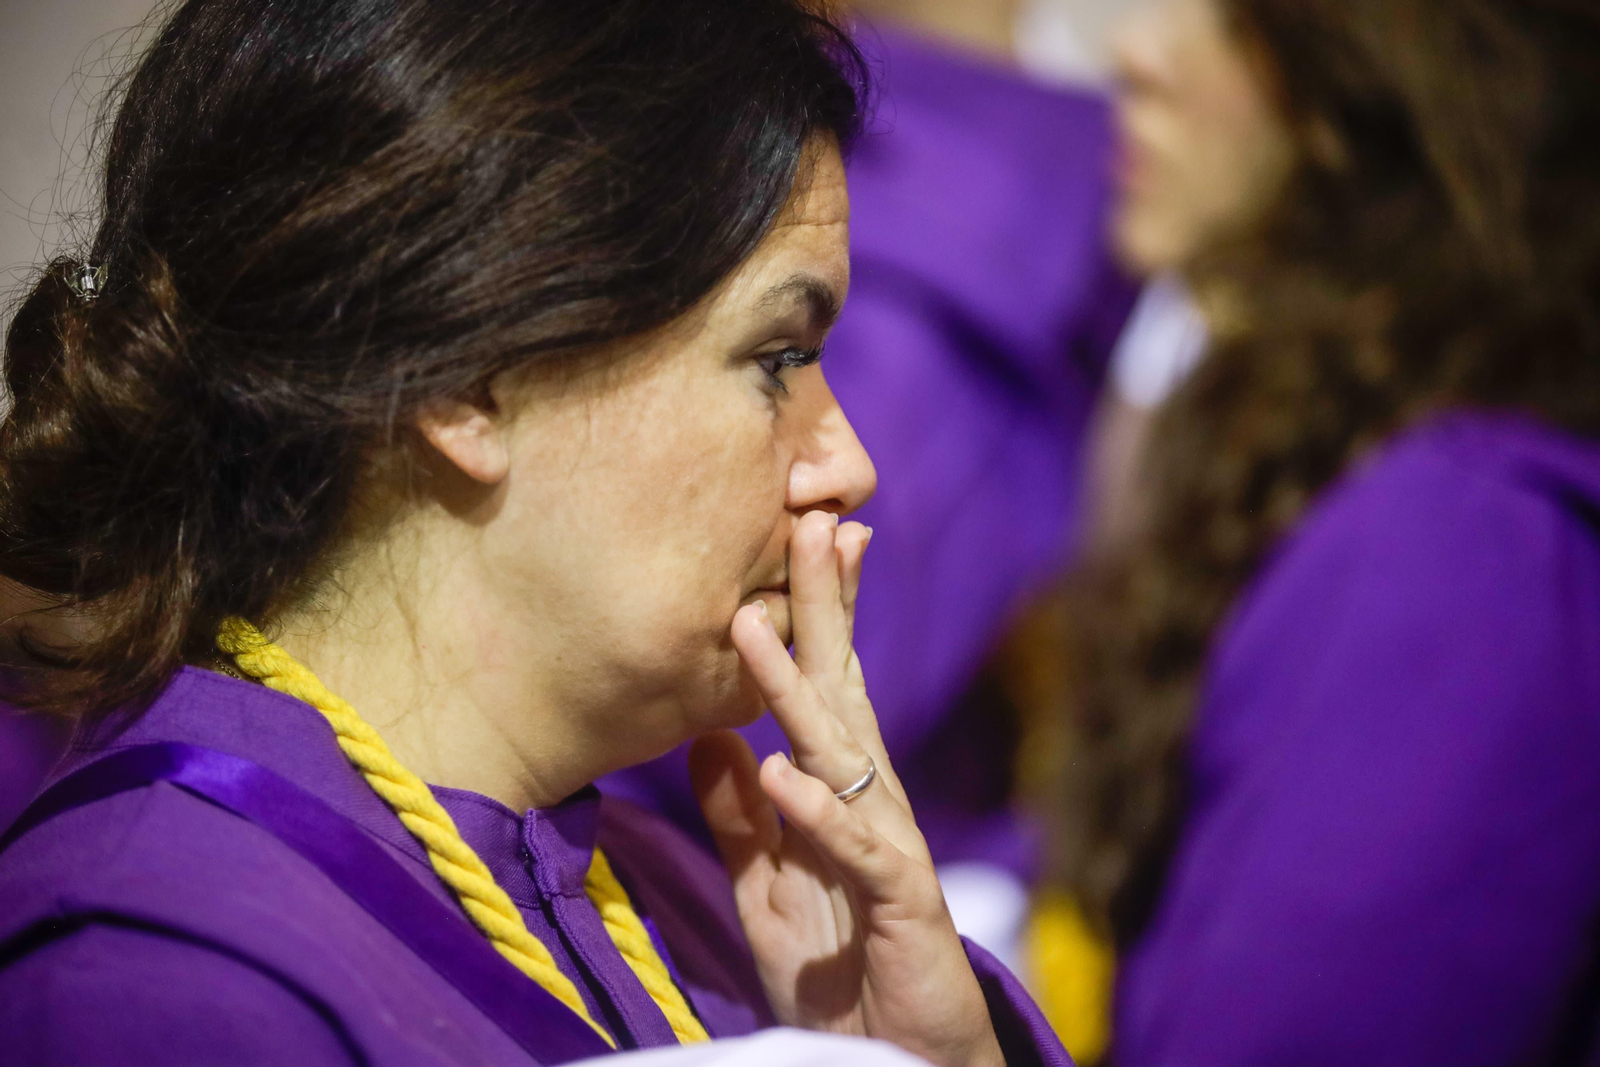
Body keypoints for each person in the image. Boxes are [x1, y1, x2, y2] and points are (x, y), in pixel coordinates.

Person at [0, 2, 1068, 1065]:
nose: (848, 464)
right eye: (778, 355)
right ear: (469, 379)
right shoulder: (161, 977)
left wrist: (935, 1052)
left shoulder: (697, 910)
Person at [1058, 0, 1600, 1063]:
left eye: (1218, 12)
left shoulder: (1464, 556)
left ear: (1360, 87)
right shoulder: (1379, 452)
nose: (1134, 52)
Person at [602, 3, 1137, 980]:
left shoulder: (929, 284)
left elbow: (787, 705)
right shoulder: (980, 238)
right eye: (775, 362)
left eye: (792, 356)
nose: (847, 466)